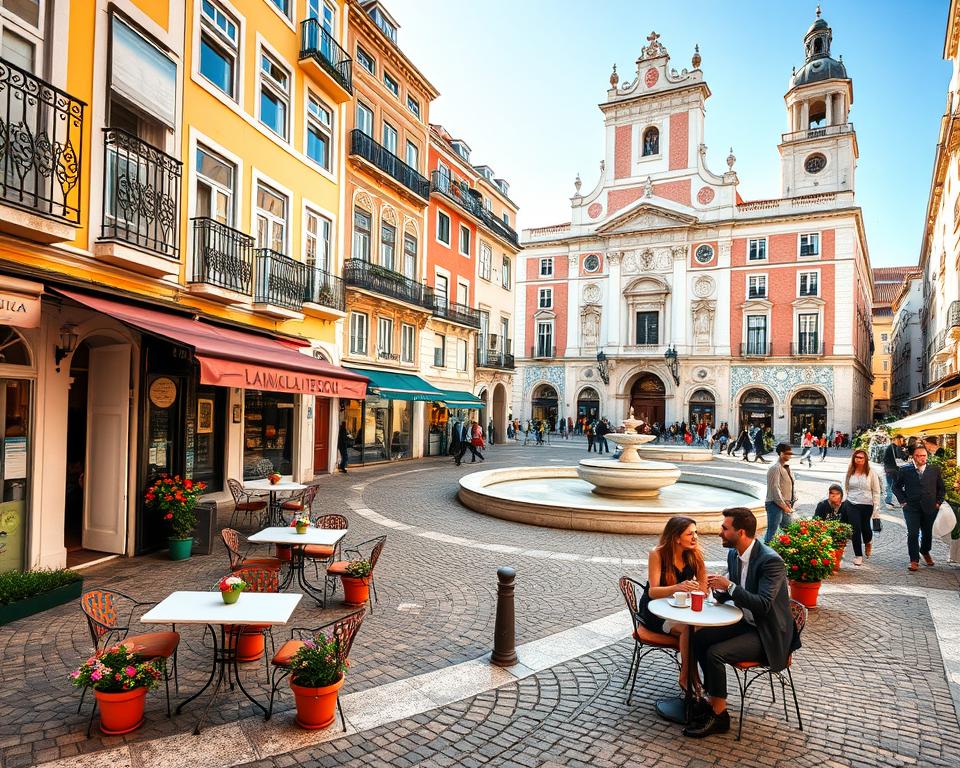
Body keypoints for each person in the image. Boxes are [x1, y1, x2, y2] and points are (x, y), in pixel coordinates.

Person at [686, 507, 800, 738]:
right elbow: (736, 591)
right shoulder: (734, 554)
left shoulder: (771, 561)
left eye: (724, 528)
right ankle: (712, 699)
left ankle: (720, 716)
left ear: (740, 532)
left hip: (768, 633)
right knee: (699, 638)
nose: (720, 532)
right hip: (747, 622)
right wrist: (719, 589)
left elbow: (763, 604)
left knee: (715, 653)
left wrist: (728, 586)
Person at [635, 516, 707, 695]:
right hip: (655, 611)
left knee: (701, 631)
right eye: (690, 534)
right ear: (676, 537)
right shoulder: (657, 554)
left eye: (696, 532)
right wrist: (678, 587)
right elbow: (653, 591)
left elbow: (704, 588)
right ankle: (687, 678)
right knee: (689, 631)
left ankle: (694, 678)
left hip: (681, 610)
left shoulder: (695, 554)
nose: (695, 537)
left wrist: (700, 588)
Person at [893, 444, 945, 571]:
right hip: (911, 507)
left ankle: (925, 551)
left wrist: (938, 502)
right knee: (913, 533)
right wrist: (903, 501)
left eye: (924, 455)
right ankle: (914, 560)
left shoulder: (934, 470)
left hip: (930, 507)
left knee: (927, 533)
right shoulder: (905, 470)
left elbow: (941, 488)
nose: (922, 458)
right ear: (913, 457)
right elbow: (896, 487)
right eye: (919, 455)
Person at [844, 449, 881, 565]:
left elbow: (876, 491)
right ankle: (858, 555)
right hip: (852, 503)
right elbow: (846, 486)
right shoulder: (850, 471)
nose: (858, 459)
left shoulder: (871, 472)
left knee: (866, 529)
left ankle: (868, 542)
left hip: (867, 504)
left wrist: (876, 507)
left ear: (865, 460)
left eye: (861, 457)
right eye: (857, 457)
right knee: (855, 529)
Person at [764, 443, 795, 543]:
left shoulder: (786, 467)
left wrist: (791, 501)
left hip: (786, 504)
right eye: (788, 453)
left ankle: (787, 550)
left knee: (790, 530)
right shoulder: (775, 468)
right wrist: (784, 506)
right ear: (781, 453)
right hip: (774, 504)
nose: (790, 455)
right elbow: (775, 489)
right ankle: (765, 551)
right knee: (772, 532)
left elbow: (790, 485)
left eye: (790, 453)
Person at [882, 434, 907, 507]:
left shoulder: (892, 447)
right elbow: (901, 456)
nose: (901, 442)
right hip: (892, 469)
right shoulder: (895, 447)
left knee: (892, 485)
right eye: (900, 440)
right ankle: (890, 501)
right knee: (893, 486)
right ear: (897, 440)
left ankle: (889, 501)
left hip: (890, 468)